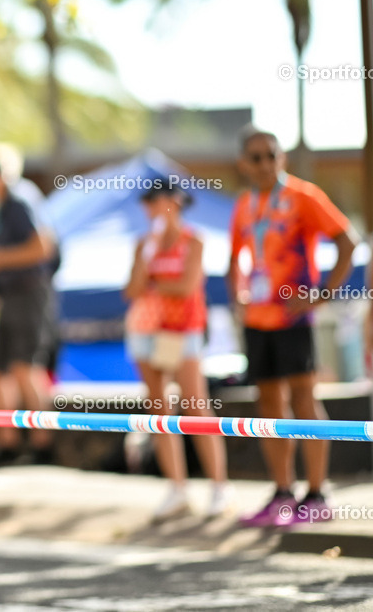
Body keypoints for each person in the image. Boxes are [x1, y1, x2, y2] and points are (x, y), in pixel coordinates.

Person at [229, 126, 357, 527]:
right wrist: (238, 297)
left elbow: (347, 242)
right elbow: (234, 259)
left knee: (304, 400)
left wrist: (319, 295)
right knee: (268, 404)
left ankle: (317, 494)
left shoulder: (304, 196)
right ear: (243, 164)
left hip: (294, 316)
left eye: (272, 155)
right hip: (258, 319)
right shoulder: (245, 205)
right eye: (256, 157)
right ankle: (282, 494)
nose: (265, 164)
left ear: (281, 158)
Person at [123, 180, 229, 521]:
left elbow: (186, 286)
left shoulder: (193, 240)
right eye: (148, 202)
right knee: (158, 409)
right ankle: (177, 488)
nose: (151, 209)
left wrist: (153, 284)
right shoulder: (144, 243)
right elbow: (132, 288)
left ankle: (219, 487)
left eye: (157, 201)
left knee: (196, 405)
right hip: (147, 330)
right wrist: (150, 254)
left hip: (182, 331)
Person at [0, 159, 56, 465]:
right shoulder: (7, 205)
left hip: (28, 294)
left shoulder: (20, 200)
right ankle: (7, 443)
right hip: (9, 296)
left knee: (25, 367)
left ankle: (42, 443)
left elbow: (41, 247)